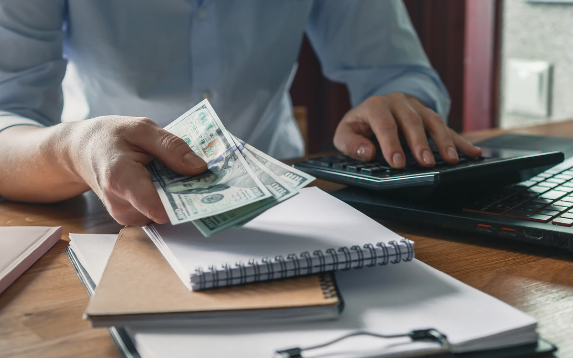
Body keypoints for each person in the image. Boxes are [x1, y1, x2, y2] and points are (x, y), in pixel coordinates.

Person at [0, 0, 481, 226]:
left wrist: (397, 103)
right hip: (104, 211)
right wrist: (73, 148)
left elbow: (400, 74)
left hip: (292, 207)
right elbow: (7, 115)